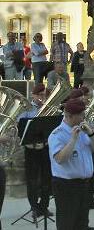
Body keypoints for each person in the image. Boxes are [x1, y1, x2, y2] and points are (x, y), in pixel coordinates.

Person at [48, 99, 94, 230]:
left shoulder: (84, 130)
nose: (84, 117)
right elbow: (60, 159)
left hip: (83, 183)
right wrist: (72, 139)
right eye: (81, 115)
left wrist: (91, 134)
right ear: (70, 116)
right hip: (65, 184)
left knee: (80, 222)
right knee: (67, 223)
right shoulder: (57, 134)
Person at [18, 84, 52, 219]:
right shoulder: (27, 109)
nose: (41, 98)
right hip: (31, 149)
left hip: (45, 148)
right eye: (39, 95)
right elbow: (20, 127)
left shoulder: (48, 108)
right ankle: (34, 207)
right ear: (33, 95)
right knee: (32, 180)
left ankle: (44, 206)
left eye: (43, 95)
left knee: (46, 178)